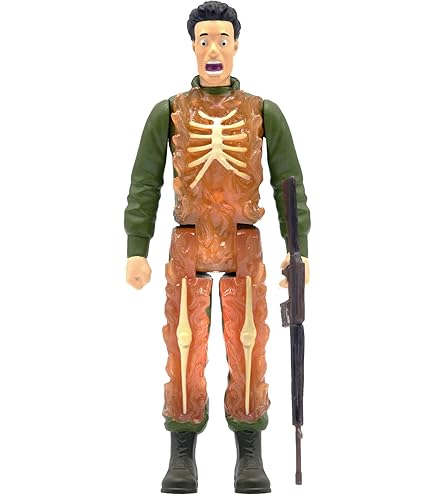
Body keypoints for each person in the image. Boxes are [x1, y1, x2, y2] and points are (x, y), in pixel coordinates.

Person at [124, 2, 310, 493]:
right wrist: (137, 247)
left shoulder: (263, 112)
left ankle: (249, 448)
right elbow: (145, 183)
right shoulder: (169, 112)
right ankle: (182, 448)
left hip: (243, 241)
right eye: (204, 39)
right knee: (182, 342)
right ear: (192, 46)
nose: (213, 49)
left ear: (236, 46)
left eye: (222, 40)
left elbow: (289, 184)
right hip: (188, 240)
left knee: (250, 343)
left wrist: (299, 248)